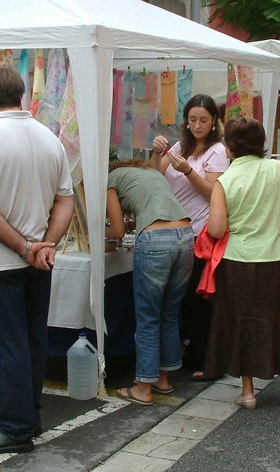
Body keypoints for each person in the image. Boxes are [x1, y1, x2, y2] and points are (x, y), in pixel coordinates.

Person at [0, 66, 75, 455]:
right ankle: (28, 415)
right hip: (37, 258)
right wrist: (46, 243)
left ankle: (14, 427)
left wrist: (28, 247)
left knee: (11, 344)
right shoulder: (50, 139)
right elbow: (66, 198)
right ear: (23, 95)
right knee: (31, 339)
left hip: (3, 260)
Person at [204, 118, 280, 410]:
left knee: (243, 322)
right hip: (274, 258)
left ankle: (248, 393)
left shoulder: (225, 181)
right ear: (261, 143)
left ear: (230, 146)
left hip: (238, 261)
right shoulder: (276, 168)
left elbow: (217, 229)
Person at [151, 94, 229, 381]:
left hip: (200, 232)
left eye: (204, 120)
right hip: (174, 231)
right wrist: (158, 153)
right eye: (193, 119)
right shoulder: (179, 146)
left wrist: (187, 172)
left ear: (214, 122)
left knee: (199, 299)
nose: (197, 125)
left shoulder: (217, 151)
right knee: (181, 299)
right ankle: (194, 352)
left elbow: (214, 193)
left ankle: (209, 359)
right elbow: (157, 178)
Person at [106, 160, 194, 406]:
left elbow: (118, 230)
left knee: (148, 316)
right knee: (168, 313)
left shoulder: (110, 181)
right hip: (186, 235)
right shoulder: (150, 173)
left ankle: (143, 387)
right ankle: (162, 379)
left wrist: (97, 235)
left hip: (156, 241)